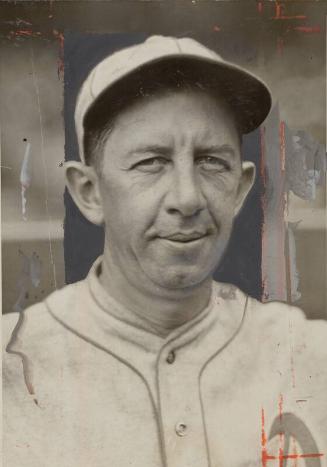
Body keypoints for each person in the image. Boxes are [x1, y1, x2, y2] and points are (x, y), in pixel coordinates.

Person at [2, 35, 326, 467]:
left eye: (212, 161)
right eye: (150, 162)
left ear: (241, 188)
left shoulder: (309, 356)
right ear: (89, 191)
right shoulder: (11, 361)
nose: (188, 198)